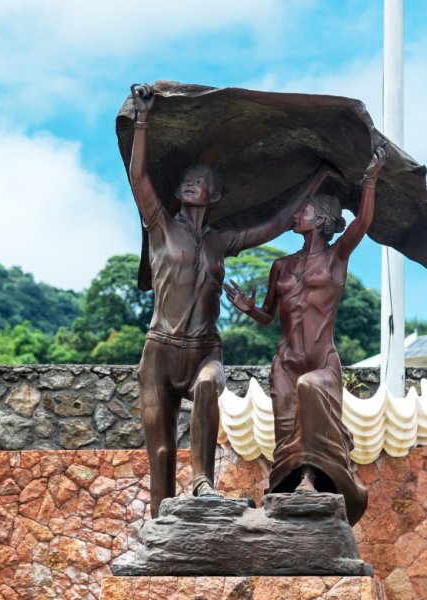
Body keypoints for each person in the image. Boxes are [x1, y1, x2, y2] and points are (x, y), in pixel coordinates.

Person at [128, 83, 330, 518]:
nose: (189, 185)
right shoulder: (160, 226)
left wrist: (317, 179)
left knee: (207, 385)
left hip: (205, 348)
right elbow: (139, 179)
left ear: (214, 196)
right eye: (185, 181)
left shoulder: (221, 242)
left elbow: (276, 223)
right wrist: (143, 119)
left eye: (198, 182)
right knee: (161, 452)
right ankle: (163, 525)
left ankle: (203, 481)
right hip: (160, 349)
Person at [224, 145, 387, 525]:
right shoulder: (280, 266)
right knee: (285, 428)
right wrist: (249, 310)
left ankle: (314, 479)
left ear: (324, 218)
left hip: (321, 360)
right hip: (286, 361)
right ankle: (286, 492)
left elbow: (361, 223)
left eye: (304, 210)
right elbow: (268, 314)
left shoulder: (336, 257)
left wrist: (370, 181)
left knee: (311, 391)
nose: (296, 215)